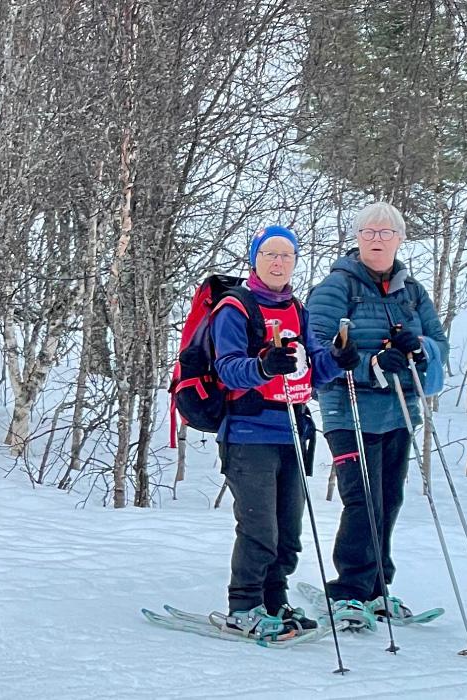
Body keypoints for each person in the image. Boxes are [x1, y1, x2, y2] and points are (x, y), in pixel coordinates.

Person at [305, 202, 449, 629]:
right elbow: (319, 347)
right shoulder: (336, 287)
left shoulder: (412, 291)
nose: (377, 239)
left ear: (400, 239)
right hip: (348, 409)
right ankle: (349, 588)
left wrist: (416, 348)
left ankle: (377, 587)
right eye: (369, 232)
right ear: (357, 238)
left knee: (389, 499)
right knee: (361, 497)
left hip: (398, 410)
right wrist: (370, 361)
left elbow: (437, 343)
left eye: (386, 232)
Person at [207, 225, 343, 640]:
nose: (278, 262)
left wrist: (342, 358)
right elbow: (226, 367)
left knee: (288, 529)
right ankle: (244, 606)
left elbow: (316, 366)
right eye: (270, 254)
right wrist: (264, 366)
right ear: (255, 259)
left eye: (286, 255)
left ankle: (274, 600)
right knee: (258, 527)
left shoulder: (297, 310)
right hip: (248, 433)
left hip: (292, 432)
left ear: (295, 261)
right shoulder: (235, 308)